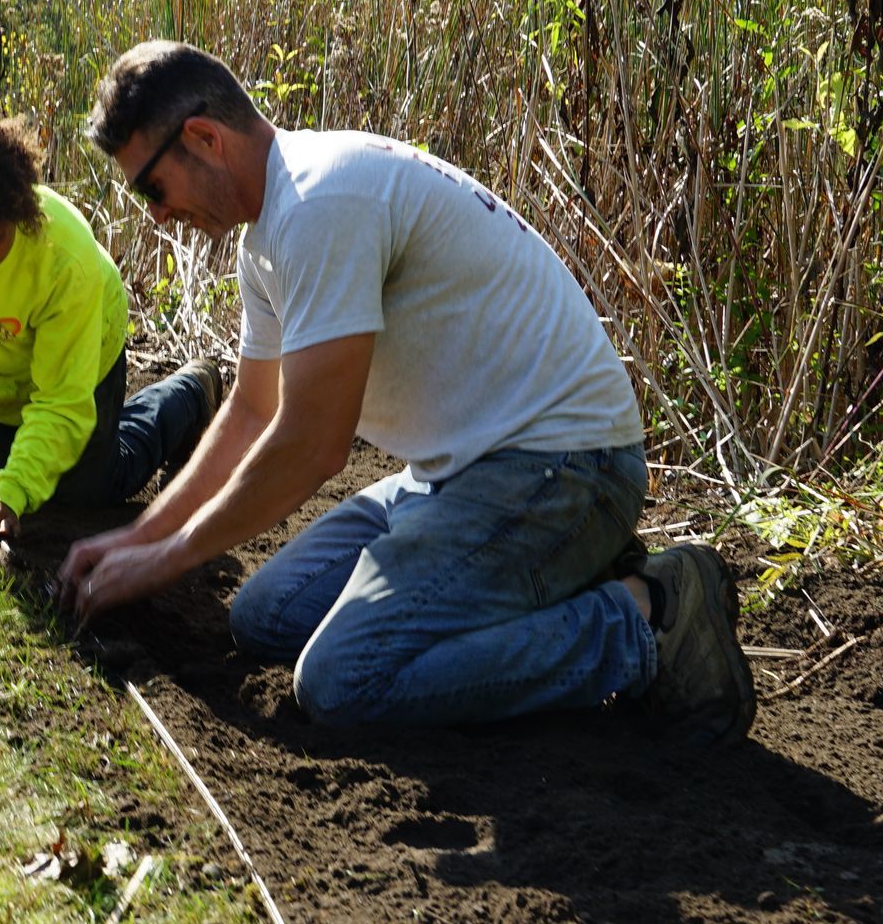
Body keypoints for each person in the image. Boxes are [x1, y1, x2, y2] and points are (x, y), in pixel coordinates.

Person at [57, 40, 755, 746]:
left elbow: (312, 445)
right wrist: (139, 539)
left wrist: (167, 561)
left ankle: (645, 618)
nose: (156, 217)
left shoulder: (319, 203)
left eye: (151, 188)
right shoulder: (269, 235)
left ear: (203, 138)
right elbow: (251, 410)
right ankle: (548, 577)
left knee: (341, 682)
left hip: (567, 467)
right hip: (460, 476)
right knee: (264, 616)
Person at [0, 92, 222, 543]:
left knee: (85, 491)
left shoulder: (67, 257)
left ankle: (188, 394)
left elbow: (62, 403)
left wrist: (13, 492)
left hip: (84, 356)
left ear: (19, 214)